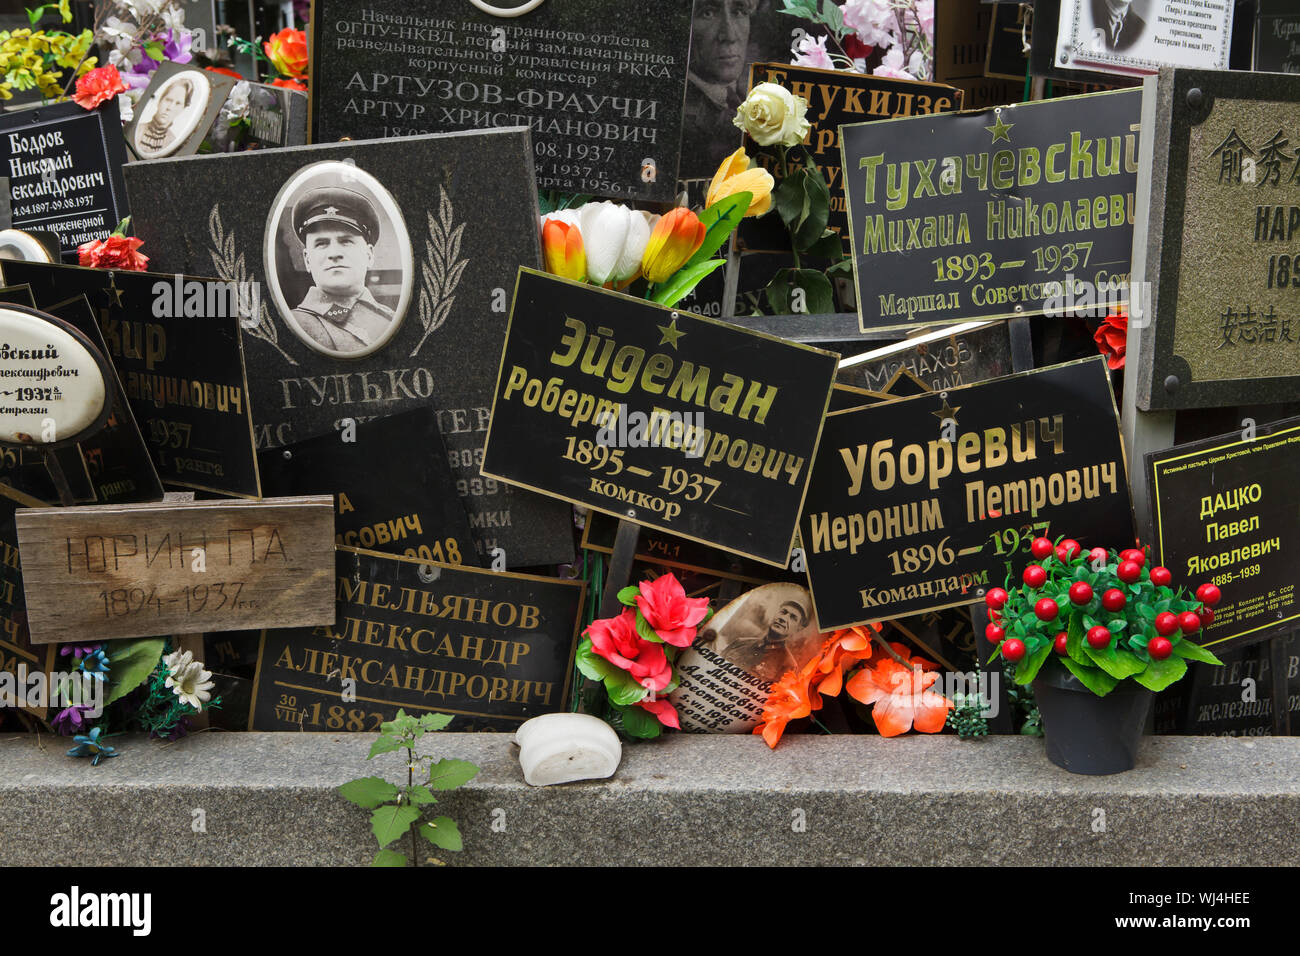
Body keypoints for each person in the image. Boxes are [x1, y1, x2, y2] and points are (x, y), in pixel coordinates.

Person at [288, 186, 395, 354]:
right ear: (307, 260)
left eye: (346, 241)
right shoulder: (292, 325)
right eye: (321, 243)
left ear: (369, 255)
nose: (334, 253)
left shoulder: (392, 319)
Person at [682, 0, 758, 179]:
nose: (729, 35)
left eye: (739, 11)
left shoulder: (744, 96)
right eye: (707, 13)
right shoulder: (679, 113)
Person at [714, 596, 813, 683]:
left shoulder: (788, 665)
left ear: (798, 629)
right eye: (783, 612)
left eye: (792, 617)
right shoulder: (740, 642)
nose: (783, 618)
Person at [135, 77, 194, 156]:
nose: (170, 108)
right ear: (160, 100)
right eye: (168, 100)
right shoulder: (137, 130)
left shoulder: (172, 142)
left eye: (178, 103)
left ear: (182, 109)